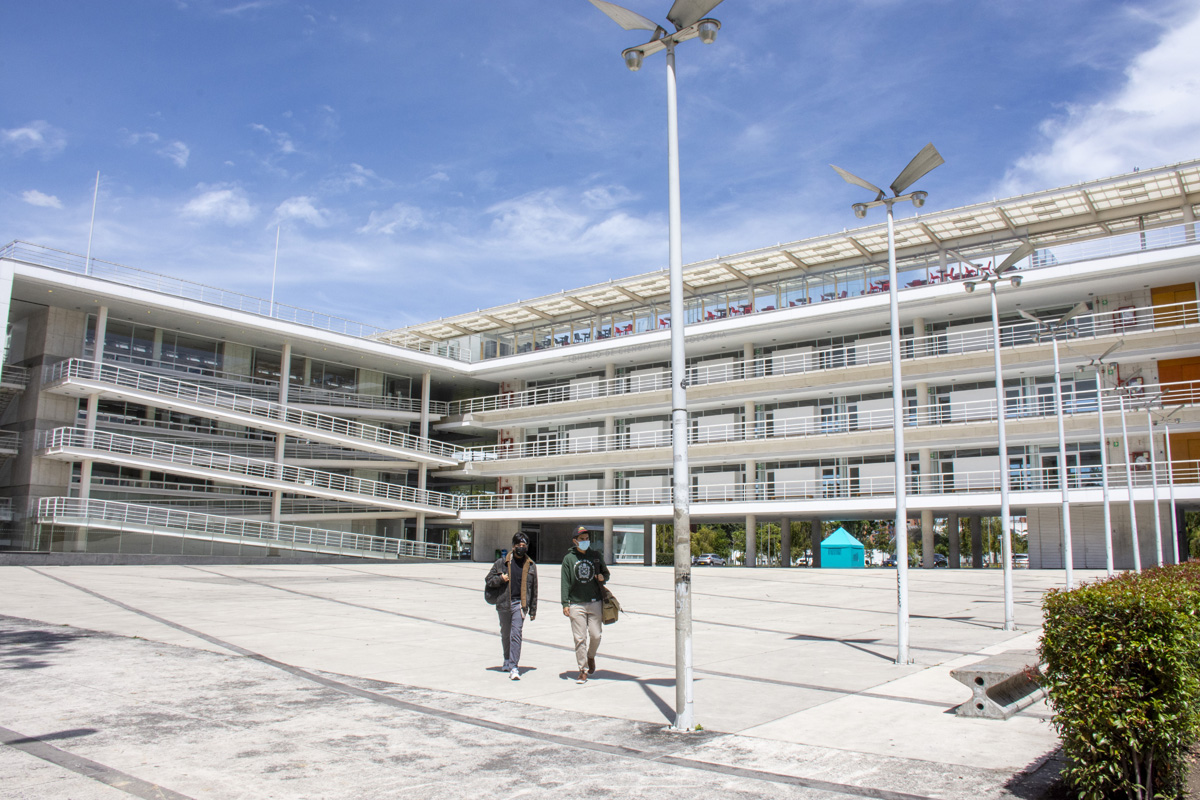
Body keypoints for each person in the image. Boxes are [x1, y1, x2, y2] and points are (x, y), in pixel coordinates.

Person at [561, 526, 610, 684]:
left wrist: (603, 577)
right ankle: (582, 670)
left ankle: (590, 656)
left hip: (595, 602)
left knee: (596, 635)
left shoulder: (595, 555)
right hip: (576, 604)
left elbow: (606, 573)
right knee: (579, 638)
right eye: (581, 539)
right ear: (575, 541)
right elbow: (565, 582)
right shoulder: (569, 559)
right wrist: (565, 602)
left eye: (587, 538)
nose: (585, 541)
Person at [485, 533, 537, 680]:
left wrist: (532, 610)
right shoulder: (501, 563)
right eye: (519, 545)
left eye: (524, 545)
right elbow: (488, 580)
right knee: (506, 634)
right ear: (513, 546)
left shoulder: (531, 566)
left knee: (516, 634)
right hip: (503, 603)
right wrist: (500, 579)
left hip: (519, 604)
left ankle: (514, 666)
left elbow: (534, 589)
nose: (521, 548)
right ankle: (507, 659)